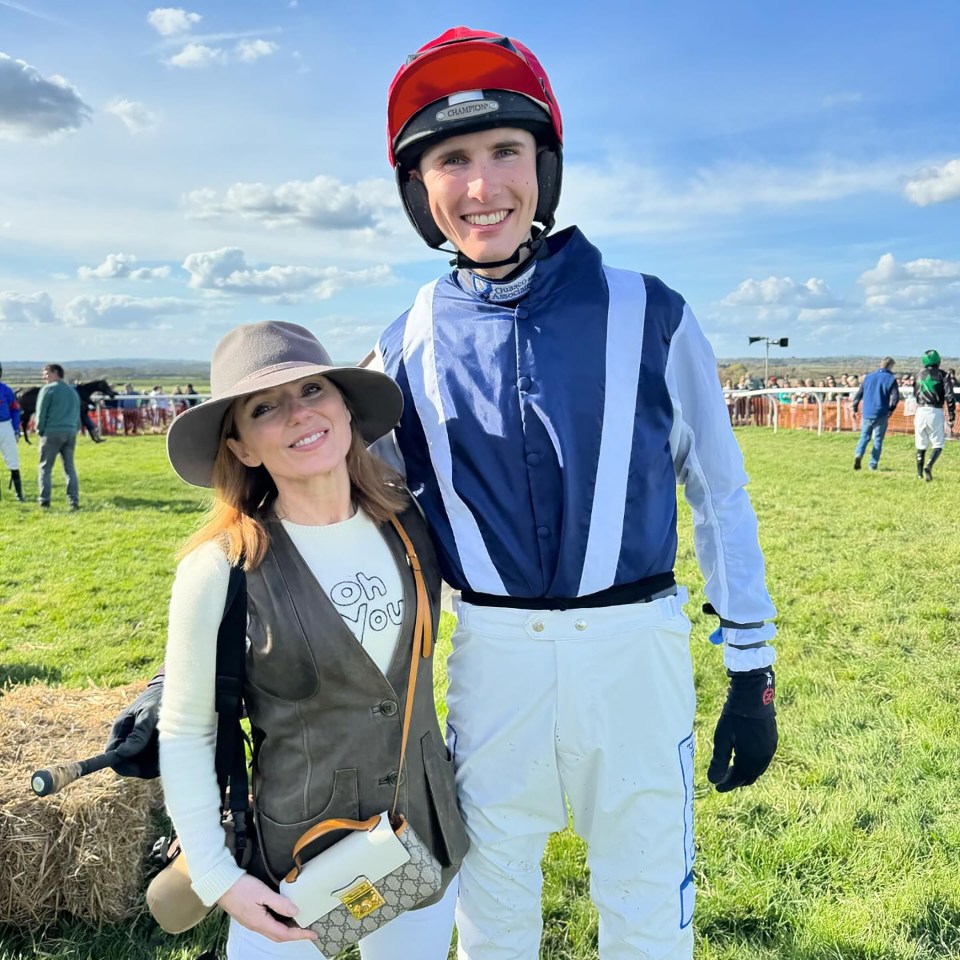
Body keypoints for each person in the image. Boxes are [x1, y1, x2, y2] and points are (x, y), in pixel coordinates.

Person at [370, 27, 778, 960]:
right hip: (493, 659)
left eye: (506, 152)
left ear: (543, 170)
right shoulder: (402, 342)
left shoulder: (651, 309)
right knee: (494, 911)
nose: (483, 187)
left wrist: (752, 668)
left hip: (633, 656)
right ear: (420, 192)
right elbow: (336, 516)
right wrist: (196, 669)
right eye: (453, 160)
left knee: (645, 909)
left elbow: (720, 494)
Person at [159, 321, 467, 960]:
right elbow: (187, 732)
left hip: (423, 837)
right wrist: (219, 880)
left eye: (313, 389)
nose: (300, 413)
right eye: (265, 407)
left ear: (346, 408)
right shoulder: (219, 567)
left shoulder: (409, 525)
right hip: (293, 870)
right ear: (242, 447)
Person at [36, 362, 80, 509]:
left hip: (52, 432)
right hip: (70, 432)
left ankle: (44, 500)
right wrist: (74, 429)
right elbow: (77, 414)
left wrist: (39, 430)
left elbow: (41, 413)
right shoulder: (73, 391)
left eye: (46, 373)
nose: (44, 377)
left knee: (45, 468)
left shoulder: (48, 390)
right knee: (69, 468)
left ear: (56, 373)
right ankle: (73, 500)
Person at [913, 348, 956, 481]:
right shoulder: (943, 375)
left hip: (920, 411)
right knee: (938, 444)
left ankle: (919, 474)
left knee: (920, 443)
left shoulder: (918, 374)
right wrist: (952, 415)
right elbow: (949, 396)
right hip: (935, 411)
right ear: (938, 360)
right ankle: (929, 465)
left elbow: (915, 393)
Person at [851, 357, 900, 471]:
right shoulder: (891, 378)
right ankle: (872, 465)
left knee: (864, 436)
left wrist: (854, 408)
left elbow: (858, 395)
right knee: (878, 439)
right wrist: (891, 409)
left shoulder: (867, 377)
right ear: (890, 366)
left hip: (867, 412)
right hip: (881, 413)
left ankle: (858, 454)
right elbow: (895, 398)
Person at [0, 361, 25, 501]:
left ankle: (19, 494)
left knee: (13, 460)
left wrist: (15, 429)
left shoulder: (6, 390)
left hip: (5, 426)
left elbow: (15, 409)